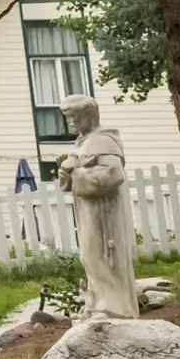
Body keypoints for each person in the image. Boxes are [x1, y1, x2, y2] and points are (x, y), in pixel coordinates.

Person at [59, 93, 138, 319]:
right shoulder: (83, 143)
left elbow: (113, 175)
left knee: (99, 256)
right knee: (89, 256)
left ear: (90, 115)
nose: (71, 123)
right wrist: (66, 171)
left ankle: (113, 308)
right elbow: (69, 184)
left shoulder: (104, 140)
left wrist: (77, 171)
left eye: (75, 118)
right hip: (89, 212)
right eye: (68, 119)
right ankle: (97, 304)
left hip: (104, 214)